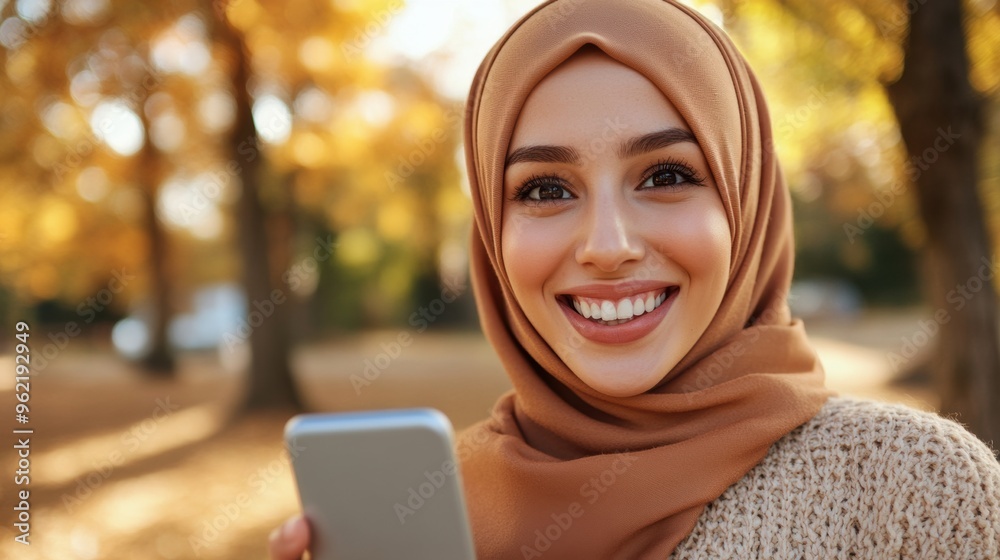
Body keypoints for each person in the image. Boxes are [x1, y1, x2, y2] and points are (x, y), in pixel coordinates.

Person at [270, 0, 1000, 558]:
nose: (606, 247)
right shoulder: (430, 509)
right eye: (545, 189)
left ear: (746, 202)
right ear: (491, 233)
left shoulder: (917, 490)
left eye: (667, 174)